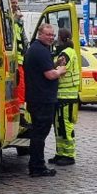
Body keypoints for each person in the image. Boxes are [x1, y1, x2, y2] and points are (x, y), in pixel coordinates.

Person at [24, 23, 66, 177]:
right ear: (40, 34)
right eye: (48, 34)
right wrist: (60, 70)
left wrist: (54, 65)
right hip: (42, 99)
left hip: (37, 98)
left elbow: (43, 69)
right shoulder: (40, 51)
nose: (51, 38)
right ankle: (37, 167)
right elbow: (50, 75)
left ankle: (36, 164)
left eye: (52, 35)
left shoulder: (37, 49)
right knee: (39, 134)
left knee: (38, 133)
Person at [49, 28, 81, 166]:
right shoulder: (67, 51)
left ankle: (68, 155)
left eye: (57, 36)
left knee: (65, 126)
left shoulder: (66, 53)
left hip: (67, 96)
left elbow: (60, 70)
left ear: (62, 38)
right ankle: (60, 153)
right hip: (63, 96)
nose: (56, 39)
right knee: (58, 125)